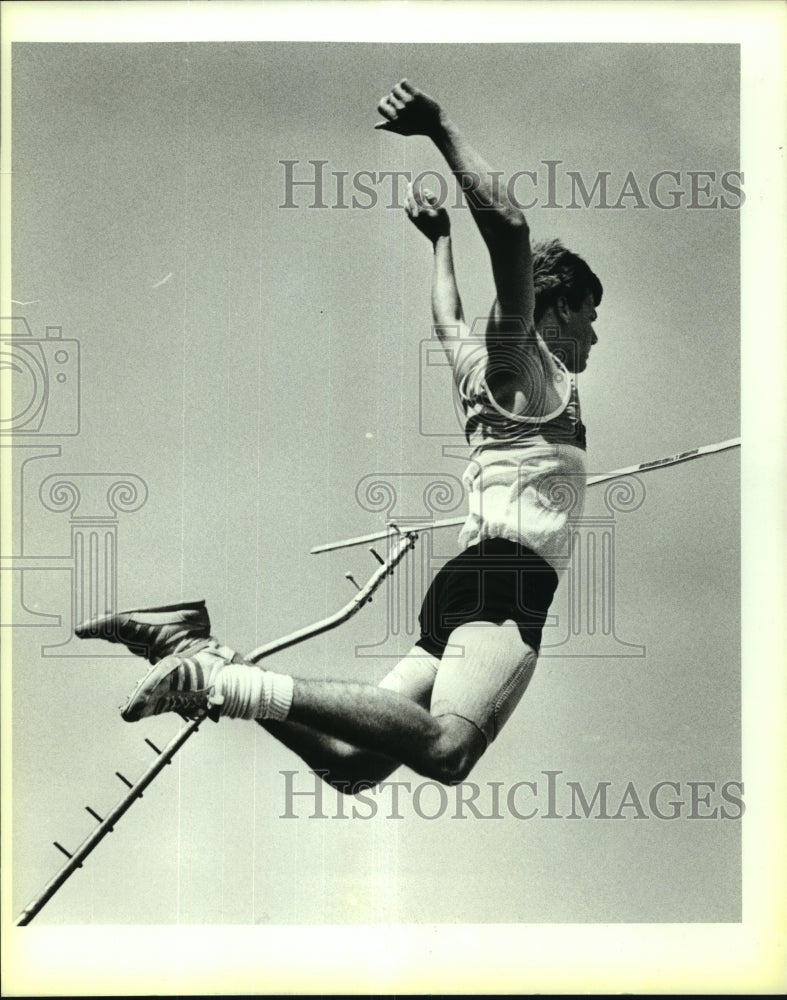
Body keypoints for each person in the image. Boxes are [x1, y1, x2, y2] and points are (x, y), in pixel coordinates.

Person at [75, 80, 602, 791]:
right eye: (589, 314)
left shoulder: (480, 369)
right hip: (506, 586)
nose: (595, 334)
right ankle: (217, 681)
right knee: (447, 752)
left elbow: (445, 320)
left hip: (464, 588)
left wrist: (439, 244)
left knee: (348, 768)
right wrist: (440, 127)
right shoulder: (517, 362)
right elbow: (509, 229)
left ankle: (197, 647)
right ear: (556, 304)